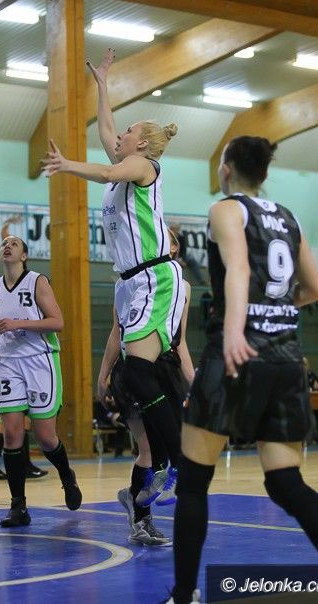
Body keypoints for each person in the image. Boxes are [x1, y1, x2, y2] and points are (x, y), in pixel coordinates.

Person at [167, 136, 318, 604]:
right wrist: (273, 311)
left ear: (227, 169)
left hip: (235, 354)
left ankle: (183, 595)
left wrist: (237, 329)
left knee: (193, 482)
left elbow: (238, 268)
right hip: (285, 359)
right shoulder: (289, 217)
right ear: (265, 173)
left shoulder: (226, 209)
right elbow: (315, 289)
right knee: (285, 482)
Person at [42, 47, 186, 498]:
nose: (120, 134)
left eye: (129, 131)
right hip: (130, 281)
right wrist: (103, 86)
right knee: (134, 379)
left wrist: (67, 165)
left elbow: (106, 172)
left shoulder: (143, 165)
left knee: (141, 375)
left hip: (154, 276)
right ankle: (161, 463)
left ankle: (178, 462)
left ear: (142, 144)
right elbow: (105, 131)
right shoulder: (127, 164)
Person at [0, 235, 82, 527]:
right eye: (4, 243)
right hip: (8, 364)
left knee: (45, 437)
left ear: (24, 255)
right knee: (11, 434)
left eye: (14, 244)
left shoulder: (37, 281)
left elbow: (57, 322)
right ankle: (18, 506)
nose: (7, 246)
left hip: (40, 361)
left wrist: (19, 324)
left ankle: (67, 476)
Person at [98, 228, 194, 546]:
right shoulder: (126, 283)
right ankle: (141, 520)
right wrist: (103, 375)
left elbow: (181, 341)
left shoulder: (181, 285)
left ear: (174, 248)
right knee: (148, 449)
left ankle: (133, 496)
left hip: (166, 369)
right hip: (135, 369)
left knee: (162, 449)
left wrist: (192, 382)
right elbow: (116, 333)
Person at [0, 344, 48, 480]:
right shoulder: (5, 337)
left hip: (19, 382)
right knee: (2, 427)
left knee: (25, 423)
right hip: (5, 383)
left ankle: (25, 465)